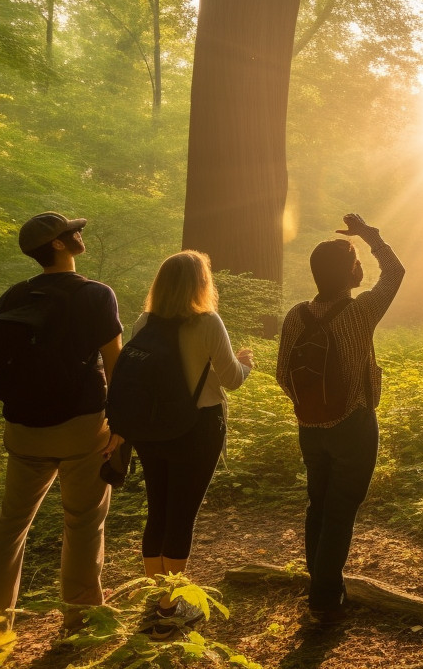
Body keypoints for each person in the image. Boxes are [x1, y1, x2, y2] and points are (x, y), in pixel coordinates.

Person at [0, 212, 124, 643]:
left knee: (11, 522)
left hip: (22, 428)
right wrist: (121, 425)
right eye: (72, 232)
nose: (78, 234)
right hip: (82, 428)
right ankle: (81, 619)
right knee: (83, 522)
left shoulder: (15, 294)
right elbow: (116, 365)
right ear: (59, 245)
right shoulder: (96, 295)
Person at [275, 213, 404, 622]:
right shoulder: (362, 311)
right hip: (354, 423)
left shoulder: (296, 315)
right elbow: (395, 271)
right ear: (349, 274)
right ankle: (325, 599)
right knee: (341, 509)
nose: (361, 266)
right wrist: (369, 235)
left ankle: (321, 585)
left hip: (309, 427)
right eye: (355, 262)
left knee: (319, 504)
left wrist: (309, 407)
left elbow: (282, 374)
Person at [127, 250, 254, 638]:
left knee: (159, 510)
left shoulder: (144, 321)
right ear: (200, 284)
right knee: (182, 515)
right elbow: (231, 379)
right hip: (198, 427)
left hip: (151, 430)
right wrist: (246, 361)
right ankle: (168, 610)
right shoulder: (208, 322)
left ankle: (157, 598)